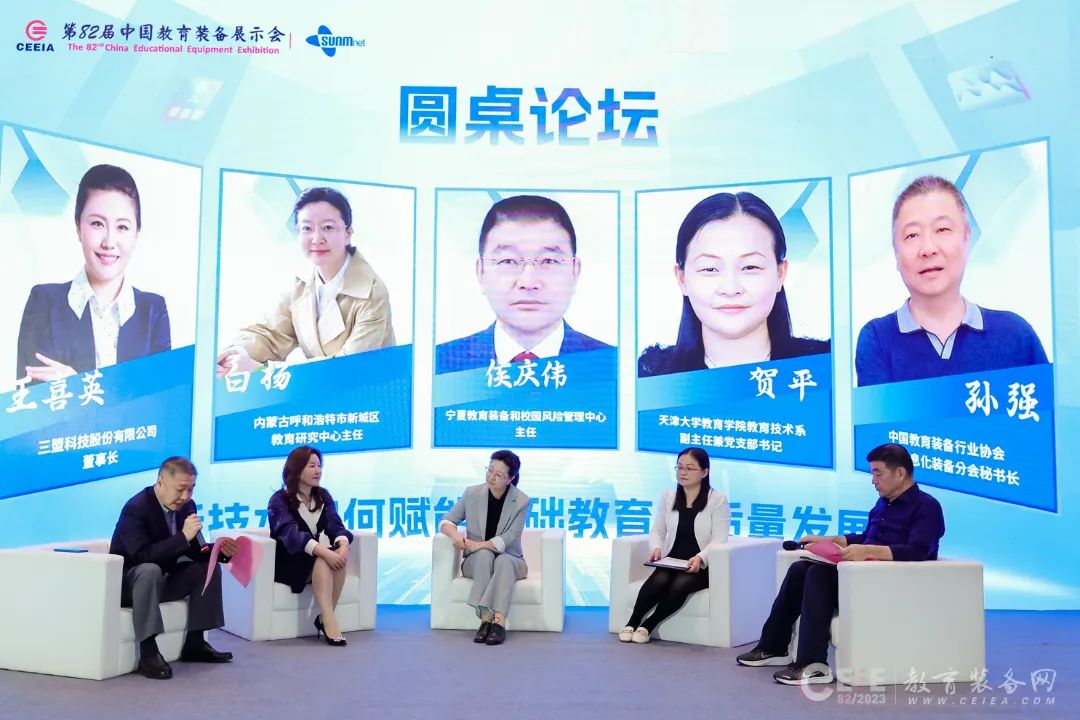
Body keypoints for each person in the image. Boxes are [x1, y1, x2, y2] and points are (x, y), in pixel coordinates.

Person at [735, 443, 945, 685]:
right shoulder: (883, 503)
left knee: (818, 575)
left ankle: (813, 665)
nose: (873, 481)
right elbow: (866, 537)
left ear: (899, 473)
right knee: (800, 569)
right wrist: (829, 540)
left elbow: (918, 550)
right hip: (860, 576)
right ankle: (773, 646)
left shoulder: (927, 506)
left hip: (890, 582)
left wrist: (869, 551)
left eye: (878, 473)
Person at [855, 175, 1047, 386]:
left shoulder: (1016, 335)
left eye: (942, 229)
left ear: (967, 238)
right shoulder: (877, 339)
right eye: (912, 235)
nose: (928, 248)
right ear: (895, 252)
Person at [638, 191, 828, 378]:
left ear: (780, 273)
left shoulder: (825, 366)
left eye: (750, 267)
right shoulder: (651, 378)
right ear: (682, 279)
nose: (730, 289)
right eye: (710, 269)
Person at [216, 187, 394, 378]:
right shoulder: (300, 285)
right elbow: (270, 334)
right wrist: (235, 354)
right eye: (307, 228)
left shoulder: (372, 292)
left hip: (370, 390)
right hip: (316, 390)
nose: (317, 239)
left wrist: (261, 370)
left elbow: (348, 367)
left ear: (348, 234)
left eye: (328, 227)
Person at [16, 164, 170, 383]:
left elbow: (160, 398)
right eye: (97, 223)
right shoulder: (45, 303)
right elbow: (32, 397)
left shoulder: (153, 311)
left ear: (136, 234)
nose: (109, 242)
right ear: (78, 227)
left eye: (122, 227)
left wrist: (76, 384)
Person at [435, 195, 611, 374]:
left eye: (549, 261)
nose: (528, 282)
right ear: (481, 272)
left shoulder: (614, 366)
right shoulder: (437, 365)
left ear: (575, 271)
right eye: (508, 261)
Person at [109, 457, 238, 679]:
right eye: (180, 489)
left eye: (191, 489)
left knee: (205, 568)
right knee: (149, 570)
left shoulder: (187, 506)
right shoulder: (136, 508)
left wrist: (219, 550)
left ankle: (196, 643)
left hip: (163, 579)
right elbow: (140, 556)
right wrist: (182, 537)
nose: (185, 496)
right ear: (160, 482)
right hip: (131, 585)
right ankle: (148, 651)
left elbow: (195, 551)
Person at [619, 447, 730, 644]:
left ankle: (648, 626)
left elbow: (720, 538)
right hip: (672, 560)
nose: (683, 472)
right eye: (679, 467)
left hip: (701, 566)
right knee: (660, 579)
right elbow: (658, 530)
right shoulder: (668, 496)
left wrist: (701, 557)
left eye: (690, 468)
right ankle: (632, 622)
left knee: (681, 583)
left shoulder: (717, 500)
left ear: (704, 472)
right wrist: (656, 547)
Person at [438, 449, 531, 645]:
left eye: (498, 474)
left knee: (503, 560)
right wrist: (456, 536)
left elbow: (509, 538)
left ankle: (497, 622)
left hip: (512, 560)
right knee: (483, 555)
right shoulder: (472, 493)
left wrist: (478, 545)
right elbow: (446, 521)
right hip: (477, 561)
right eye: (489, 470)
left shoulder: (522, 501)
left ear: (510, 478)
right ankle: (487, 620)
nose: (491, 477)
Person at [267, 445, 354, 646]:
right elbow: (291, 535)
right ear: (297, 470)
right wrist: (326, 552)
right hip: (288, 561)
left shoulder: (323, 496)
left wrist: (343, 546)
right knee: (325, 559)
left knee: (336, 559)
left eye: (319, 465)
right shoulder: (279, 500)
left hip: (312, 557)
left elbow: (335, 524)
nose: (318, 471)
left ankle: (325, 618)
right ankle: (329, 622)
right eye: (312, 466)